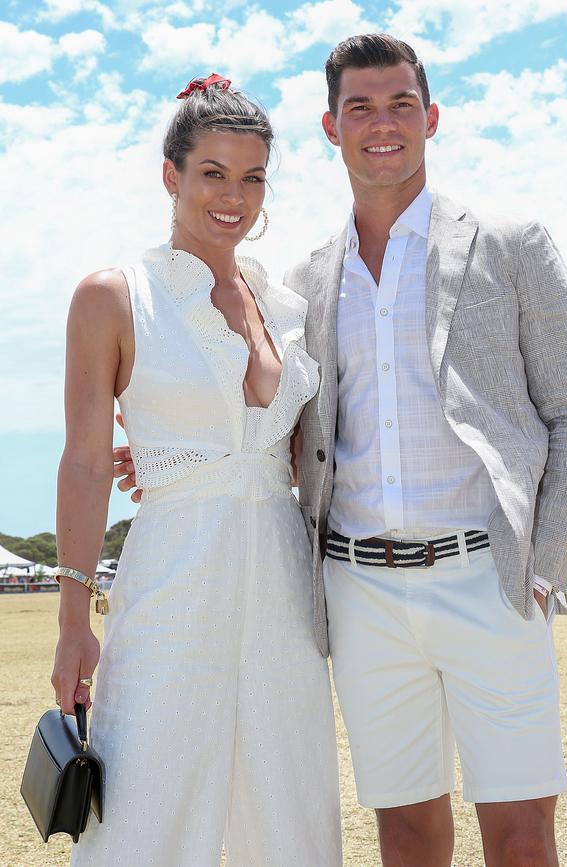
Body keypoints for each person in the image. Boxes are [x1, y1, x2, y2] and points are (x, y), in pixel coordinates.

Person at [284, 35, 567, 867]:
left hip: (492, 580)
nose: (381, 123)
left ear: (431, 118)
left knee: (520, 837)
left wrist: (542, 568)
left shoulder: (511, 242)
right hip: (360, 593)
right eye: (360, 107)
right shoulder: (308, 277)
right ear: (332, 127)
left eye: (400, 104)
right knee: (405, 835)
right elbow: (289, 430)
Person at [51, 75, 342, 866]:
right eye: (213, 172)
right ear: (171, 174)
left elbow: (291, 449)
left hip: (282, 585)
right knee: (147, 803)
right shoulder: (115, 295)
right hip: (171, 579)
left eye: (252, 177)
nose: (234, 197)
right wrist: (74, 621)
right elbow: (82, 461)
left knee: (291, 806)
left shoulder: (285, 305)